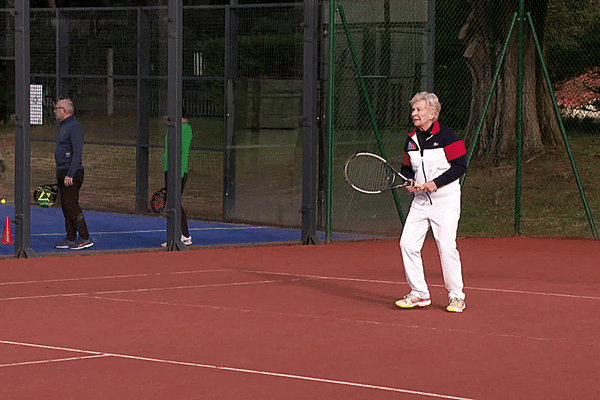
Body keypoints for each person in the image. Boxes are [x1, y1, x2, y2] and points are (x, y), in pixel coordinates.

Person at [395, 92, 467, 312]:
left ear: (432, 114)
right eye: (413, 110)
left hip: (445, 200)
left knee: (446, 247)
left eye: (419, 110)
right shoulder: (411, 139)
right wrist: (409, 180)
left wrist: (436, 182)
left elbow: (460, 165)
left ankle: (456, 296)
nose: (414, 114)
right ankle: (419, 293)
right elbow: (407, 167)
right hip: (420, 201)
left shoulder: (449, 136)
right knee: (407, 244)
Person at [53, 99, 93, 250]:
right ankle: (70, 238)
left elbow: (77, 153)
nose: (55, 111)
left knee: (71, 205)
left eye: (57, 109)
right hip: (63, 171)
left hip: (72, 172)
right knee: (65, 206)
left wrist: (70, 173)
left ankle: (84, 237)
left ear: (64, 110)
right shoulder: (64, 127)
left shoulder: (74, 127)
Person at [161, 113, 193, 248]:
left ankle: (184, 236)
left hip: (177, 172)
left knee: (175, 203)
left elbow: (183, 152)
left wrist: (179, 173)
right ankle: (180, 236)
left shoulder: (185, 129)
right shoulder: (173, 129)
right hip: (170, 170)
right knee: (173, 202)